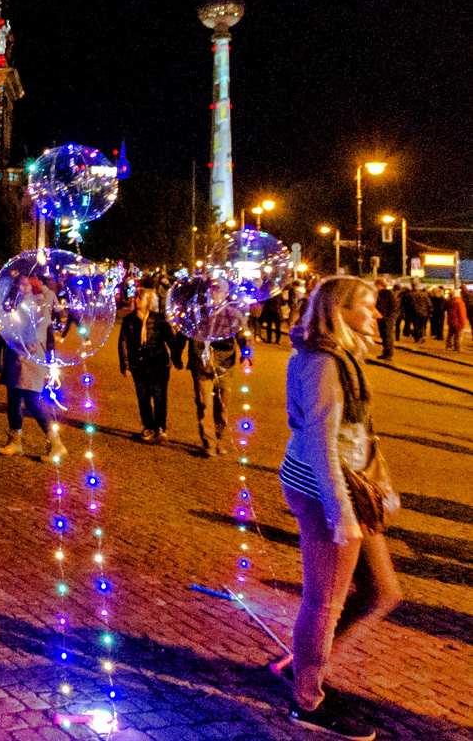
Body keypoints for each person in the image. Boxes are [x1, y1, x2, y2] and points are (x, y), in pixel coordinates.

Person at [275, 276, 400, 739]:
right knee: (324, 601)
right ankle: (306, 699)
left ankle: (302, 664)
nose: (378, 313)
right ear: (339, 310)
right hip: (325, 488)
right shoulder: (321, 362)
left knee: (381, 592)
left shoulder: (341, 356)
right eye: (367, 305)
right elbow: (319, 443)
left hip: (347, 486)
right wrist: (340, 511)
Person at [118, 288, 183, 442]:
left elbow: (171, 341)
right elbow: (123, 343)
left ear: (148, 301)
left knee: (160, 396)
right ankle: (148, 426)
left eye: (140, 298)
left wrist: (177, 358)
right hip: (138, 364)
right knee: (143, 397)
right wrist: (125, 365)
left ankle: (160, 426)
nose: (137, 301)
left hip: (159, 363)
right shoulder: (129, 320)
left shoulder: (159, 319)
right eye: (136, 298)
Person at [0, 333, 68, 462]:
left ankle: (56, 443)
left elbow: (48, 335)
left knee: (32, 402)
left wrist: (51, 362)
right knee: (13, 399)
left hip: (31, 358)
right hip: (16, 357)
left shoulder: (41, 313)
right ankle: (15, 441)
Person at [189, 327, 250, 457]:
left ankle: (219, 439)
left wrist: (246, 356)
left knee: (222, 406)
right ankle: (209, 443)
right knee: (205, 404)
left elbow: (243, 334)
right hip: (201, 362)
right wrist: (177, 353)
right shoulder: (198, 310)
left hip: (225, 364)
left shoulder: (232, 310)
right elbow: (186, 331)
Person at [372, 278, 397, 360]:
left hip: (387, 318)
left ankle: (388, 354)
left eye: (376, 284)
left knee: (387, 335)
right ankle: (385, 352)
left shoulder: (388, 293)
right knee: (383, 335)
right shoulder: (379, 293)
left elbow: (393, 306)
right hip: (382, 317)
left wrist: (388, 316)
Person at [445, 287, 467, 352]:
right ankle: (457, 348)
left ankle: (448, 346)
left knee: (450, 335)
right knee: (458, 336)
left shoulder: (451, 302)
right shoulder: (459, 302)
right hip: (458, 321)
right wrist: (463, 322)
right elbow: (462, 313)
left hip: (452, 321)